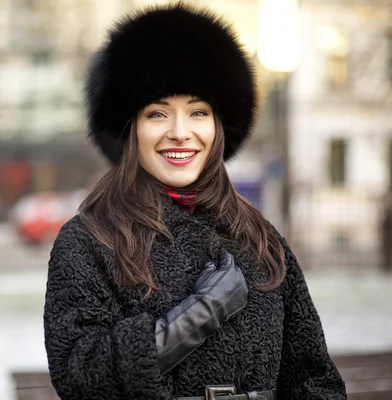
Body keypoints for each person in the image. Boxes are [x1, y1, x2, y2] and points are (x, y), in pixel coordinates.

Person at [43, 3, 347, 400]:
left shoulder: (261, 239)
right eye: (157, 114)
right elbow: (81, 375)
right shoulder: (89, 241)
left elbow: (314, 380)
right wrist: (192, 318)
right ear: (129, 129)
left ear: (219, 127)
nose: (180, 132)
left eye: (198, 112)